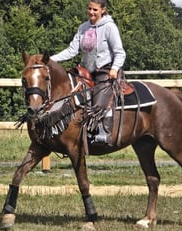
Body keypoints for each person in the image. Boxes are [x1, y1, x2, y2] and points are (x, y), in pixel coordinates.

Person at [50, 0, 126, 145]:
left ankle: (104, 132)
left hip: (105, 70)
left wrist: (114, 68)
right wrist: (50, 60)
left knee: (100, 97)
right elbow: (72, 50)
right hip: (85, 71)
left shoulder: (110, 27)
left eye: (95, 10)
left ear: (103, 10)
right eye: (89, 8)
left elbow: (119, 52)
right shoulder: (83, 27)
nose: (91, 12)